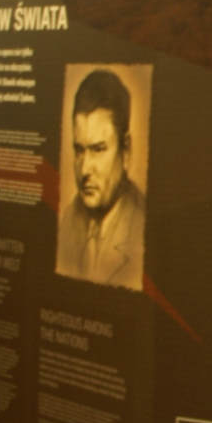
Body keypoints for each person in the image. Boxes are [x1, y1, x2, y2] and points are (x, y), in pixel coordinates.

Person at [57, 67, 146, 289]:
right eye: (79, 150)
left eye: (98, 149)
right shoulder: (67, 222)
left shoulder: (143, 228)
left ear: (126, 151)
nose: (85, 168)